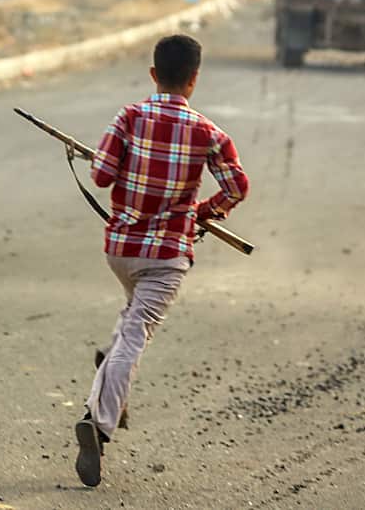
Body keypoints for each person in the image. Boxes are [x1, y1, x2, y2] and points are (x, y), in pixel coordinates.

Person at [74, 34, 249, 487]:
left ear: (153, 74)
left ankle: (107, 381)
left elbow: (101, 176)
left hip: (121, 250)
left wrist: (110, 160)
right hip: (167, 256)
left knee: (129, 322)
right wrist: (203, 211)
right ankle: (99, 424)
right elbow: (237, 187)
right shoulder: (209, 133)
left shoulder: (129, 117)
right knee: (135, 337)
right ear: (194, 80)